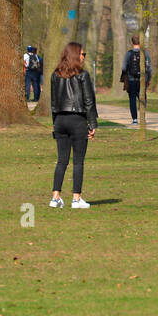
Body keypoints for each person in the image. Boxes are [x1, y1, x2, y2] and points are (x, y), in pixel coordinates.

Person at [50, 41, 97, 209]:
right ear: (75, 55)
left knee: (61, 161)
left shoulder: (55, 75)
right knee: (78, 161)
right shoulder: (83, 76)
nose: (83, 57)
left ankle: (55, 197)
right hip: (77, 120)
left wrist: (55, 123)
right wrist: (92, 124)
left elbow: (54, 103)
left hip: (60, 120)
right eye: (82, 54)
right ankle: (76, 198)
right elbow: (89, 101)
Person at [120, 35, 152, 124]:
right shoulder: (145, 53)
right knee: (143, 98)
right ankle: (143, 118)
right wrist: (149, 78)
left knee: (132, 99)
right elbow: (149, 67)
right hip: (142, 80)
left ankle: (134, 119)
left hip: (131, 80)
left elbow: (123, 67)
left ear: (132, 42)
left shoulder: (129, 53)